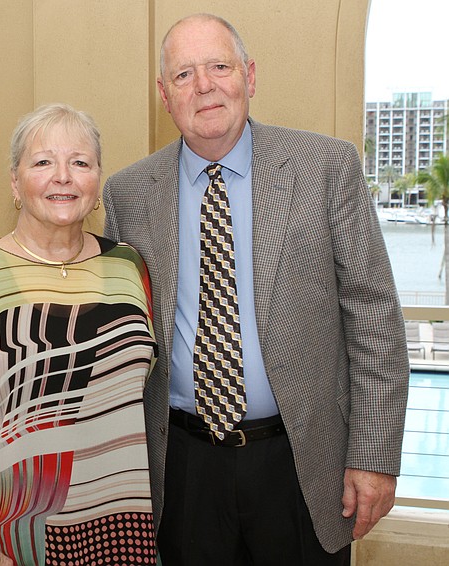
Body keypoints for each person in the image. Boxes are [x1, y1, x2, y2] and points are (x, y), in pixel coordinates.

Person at [103, 13, 409, 565]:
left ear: (249, 74)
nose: (204, 86)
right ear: (164, 95)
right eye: (184, 74)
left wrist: (375, 456)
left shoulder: (324, 167)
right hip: (183, 469)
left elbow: (374, 317)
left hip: (300, 463)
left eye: (219, 66)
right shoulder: (127, 194)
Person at [0, 103, 159, 565]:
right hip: (11, 539)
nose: (62, 176)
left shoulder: (129, 268)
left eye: (80, 162)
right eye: (43, 162)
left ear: (98, 180)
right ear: (15, 183)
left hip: (123, 531)